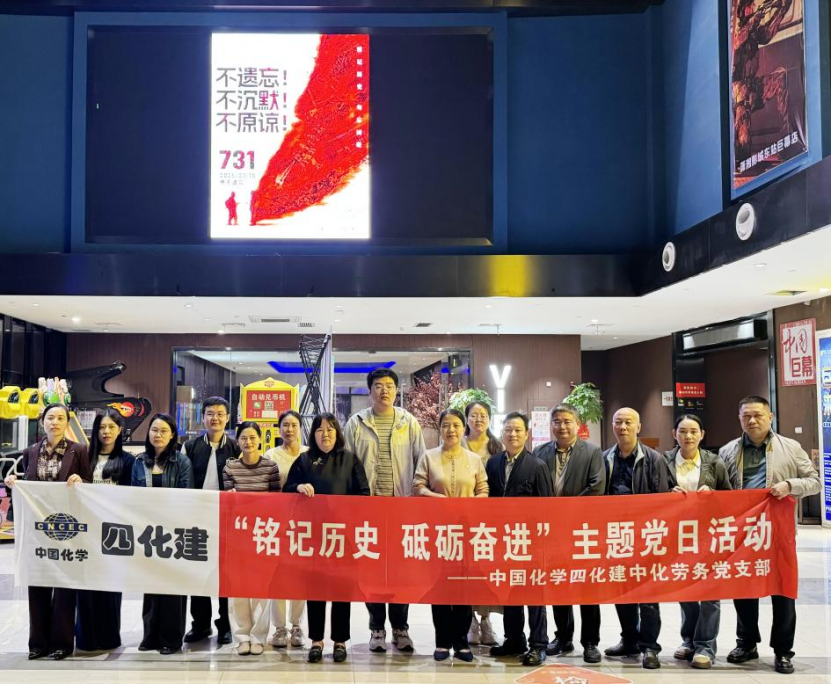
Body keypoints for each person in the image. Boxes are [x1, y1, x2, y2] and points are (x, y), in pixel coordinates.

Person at [720, 395, 820, 675]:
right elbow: (719, 488)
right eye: (746, 416)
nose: (752, 421)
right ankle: (746, 643)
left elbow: (814, 481)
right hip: (743, 533)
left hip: (778, 533)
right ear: (739, 419)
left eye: (758, 415)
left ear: (770, 417)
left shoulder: (791, 447)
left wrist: (789, 485)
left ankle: (783, 650)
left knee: (782, 590)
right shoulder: (728, 451)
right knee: (744, 588)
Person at [343, 368, 425, 653]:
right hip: (368, 510)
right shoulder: (356, 423)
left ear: (396, 390)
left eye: (389, 385)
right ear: (370, 391)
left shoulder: (408, 422)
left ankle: (401, 629)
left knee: (401, 572)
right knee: (372, 570)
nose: (384, 390)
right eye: (378, 386)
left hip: (402, 509)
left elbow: (420, 464)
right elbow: (347, 465)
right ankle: (376, 628)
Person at [4, 403, 91, 660]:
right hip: (38, 528)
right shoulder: (30, 452)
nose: (55, 422)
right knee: (38, 583)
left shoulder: (79, 450)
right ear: (43, 422)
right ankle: (37, 643)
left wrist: (81, 481)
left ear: (67, 423)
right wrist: (14, 482)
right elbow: (28, 485)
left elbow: (89, 483)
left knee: (64, 586)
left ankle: (61, 643)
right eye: (50, 418)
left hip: (67, 527)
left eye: (60, 418)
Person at [285, 412, 371, 664]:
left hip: (343, 537)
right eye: (320, 430)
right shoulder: (304, 460)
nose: (325, 435)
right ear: (313, 434)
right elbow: (286, 490)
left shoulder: (350, 459)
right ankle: (316, 640)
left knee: (342, 590)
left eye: (330, 430)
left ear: (338, 433)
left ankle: (340, 641)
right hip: (313, 538)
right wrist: (298, 487)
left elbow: (364, 493)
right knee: (316, 590)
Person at [413, 408, 488, 662]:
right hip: (438, 534)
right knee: (441, 588)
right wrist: (440, 499)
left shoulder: (474, 459)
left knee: (464, 588)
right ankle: (442, 641)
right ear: (440, 429)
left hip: (468, 534)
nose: (451, 430)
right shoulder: (429, 456)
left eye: (456, 425)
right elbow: (417, 487)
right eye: (446, 425)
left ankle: (462, 642)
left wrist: (471, 504)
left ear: (463, 428)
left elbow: (484, 489)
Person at [534, 404, 606, 663]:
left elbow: (596, 488)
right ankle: (563, 637)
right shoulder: (540, 452)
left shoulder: (593, 452)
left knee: (587, 587)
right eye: (557, 421)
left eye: (567, 421)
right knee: (558, 584)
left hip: (582, 531)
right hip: (551, 532)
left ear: (577, 424)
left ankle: (590, 642)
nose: (562, 426)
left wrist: (564, 512)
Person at [602, 407, 670, 669]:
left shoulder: (653, 459)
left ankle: (650, 646)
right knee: (622, 591)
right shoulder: (605, 457)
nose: (623, 427)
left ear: (638, 427)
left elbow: (661, 499)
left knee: (648, 595)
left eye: (628, 422)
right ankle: (629, 639)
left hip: (645, 536)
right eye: (618, 422)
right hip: (616, 536)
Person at [665, 413, 732, 670]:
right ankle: (689, 640)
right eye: (683, 431)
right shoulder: (663, 461)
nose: (688, 436)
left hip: (709, 536)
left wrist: (714, 495)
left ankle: (706, 646)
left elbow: (730, 497)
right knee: (686, 589)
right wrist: (667, 494)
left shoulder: (714, 463)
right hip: (678, 536)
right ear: (674, 434)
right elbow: (652, 493)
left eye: (693, 431)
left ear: (702, 434)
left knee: (710, 592)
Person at [486, 411, 553, 667]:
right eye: (507, 430)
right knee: (510, 592)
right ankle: (514, 640)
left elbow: (547, 508)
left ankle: (539, 644)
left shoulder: (537, 466)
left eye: (517, 430)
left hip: (530, 542)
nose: (512, 434)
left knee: (534, 595)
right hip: (503, 541)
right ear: (501, 433)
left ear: (527, 434)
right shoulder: (493, 463)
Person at [132, 413, 193, 655]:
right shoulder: (139, 462)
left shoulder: (182, 462)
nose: (158, 435)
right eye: (154, 430)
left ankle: (171, 638)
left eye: (164, 431)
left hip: (174, 531)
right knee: (150, 584)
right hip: (147, 531)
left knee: (173, 586)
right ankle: (150, 636)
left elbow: (186, 494)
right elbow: (132, 496)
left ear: (172, 435)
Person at [76, 409, 136, 652]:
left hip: (113, 531)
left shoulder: (129, 461)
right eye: (102, 427)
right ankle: (86, 638)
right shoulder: (83, 457)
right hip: (86, 530)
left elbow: (132, 497)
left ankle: (109, 637)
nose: (106, 432)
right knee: (86, 585)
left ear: (120, 430)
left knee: (110, 585)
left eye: (111, 427)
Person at [182, 397, 240, 646]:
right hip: (197, 519)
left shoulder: (236, 447)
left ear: (227, 418)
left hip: (227, 521)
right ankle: (200, 625)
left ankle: (225, 625)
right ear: (203, 417)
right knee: (198, 573)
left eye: (219, 414)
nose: (214, 418)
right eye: (209, 414)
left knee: (226, 575)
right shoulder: (190, 447)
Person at [224, 421, 281, 656]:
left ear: (260, 439)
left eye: (253, 437)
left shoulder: (271, 467)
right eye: (244, 438)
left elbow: (277, 502)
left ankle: (258, 636)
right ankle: (241, 637)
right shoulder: (230, 467)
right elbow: (229, 501)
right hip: (237, 535)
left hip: (263, 534)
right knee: (237, 587)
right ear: (238, 441)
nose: (248, 442)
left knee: (261, 588)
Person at [263, 410, 308, 648]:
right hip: (278, 523)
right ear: (279, 429)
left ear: (300, 428)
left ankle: (297, 626)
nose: (289, 430)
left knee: (300, 576)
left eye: (293, 425)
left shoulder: (309, 454)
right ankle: (279, 628)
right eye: (285, 425)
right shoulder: (271, 455)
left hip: (304, 525)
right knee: (277, 576)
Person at [461, 400, 503, 646]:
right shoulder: (458, 443)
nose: (478, 419)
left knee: (486, 570)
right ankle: (470, 621)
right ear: (466, 419)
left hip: (490, 519)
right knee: (465, 570)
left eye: (483, 415)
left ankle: (486, 620)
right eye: (474, 415)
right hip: (461, 518)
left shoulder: (498, 446)